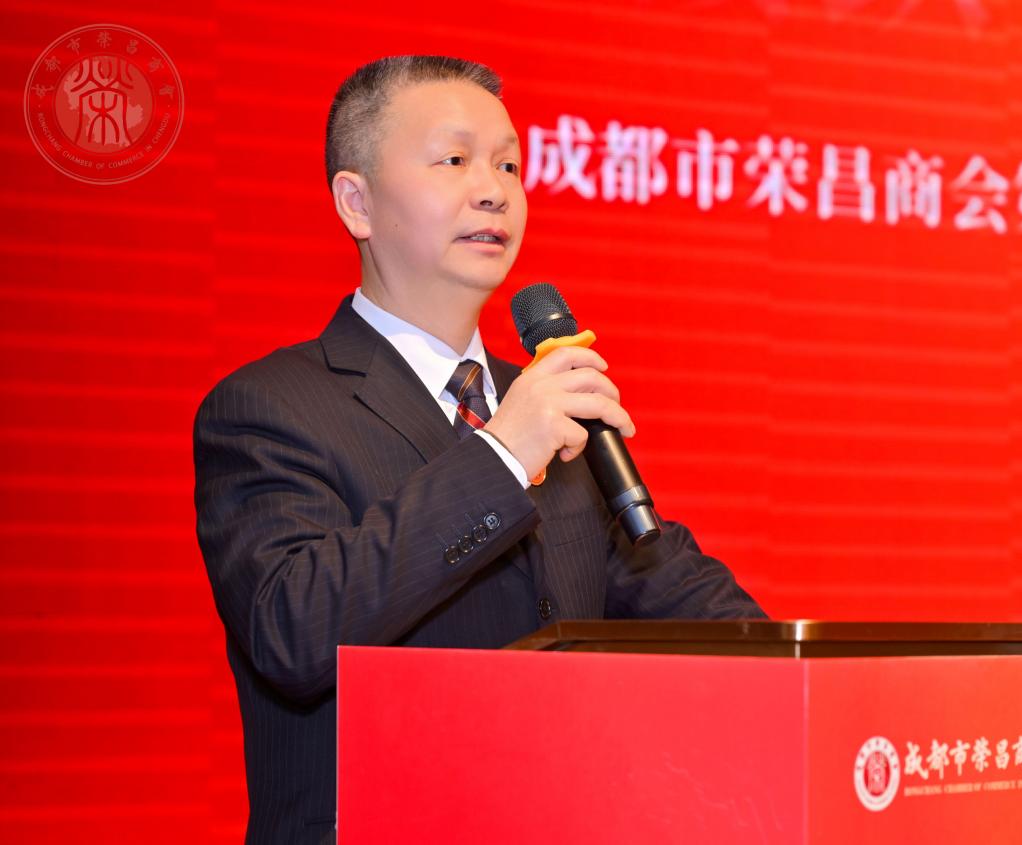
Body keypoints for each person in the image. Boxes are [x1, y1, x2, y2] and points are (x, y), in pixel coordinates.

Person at [194, 55, 763, 844]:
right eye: (455, 160)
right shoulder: (269, 407)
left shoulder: (543, 408)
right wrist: (501, 454)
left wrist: (824, 677)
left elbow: (680, 599)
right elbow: (293, 630)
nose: (494, 189)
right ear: (356, 202)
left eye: (509, 165)